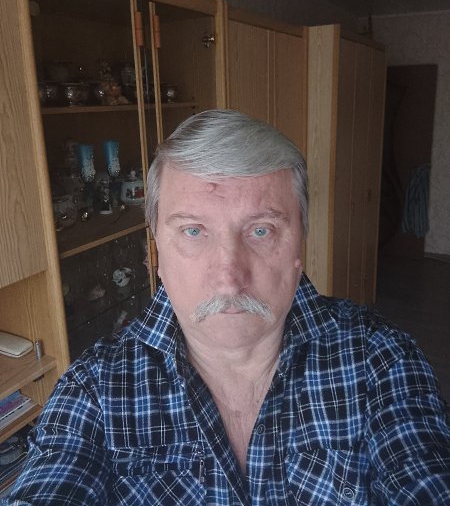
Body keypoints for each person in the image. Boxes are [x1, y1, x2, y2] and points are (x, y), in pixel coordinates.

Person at [3, 110, 450, 505]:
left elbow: (424, 474)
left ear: (300, 245)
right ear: (156, 253)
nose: (229, 279)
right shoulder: (95, 390)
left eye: (261, 230)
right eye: (194, 231)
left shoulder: (379, 360)